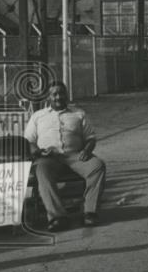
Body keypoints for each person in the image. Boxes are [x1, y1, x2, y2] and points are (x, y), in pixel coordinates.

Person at [24, 81, 106, 232]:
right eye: (54, 94)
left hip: (75, 156)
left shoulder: (78, 113)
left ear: (66, 94)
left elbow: (90, 138)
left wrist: (87, 150)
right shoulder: (38, 116)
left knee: (97, 165)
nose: (58, 97)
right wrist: (38, 152)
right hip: (49, 158)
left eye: (61, 93)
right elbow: (29, 141)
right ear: (48, 97)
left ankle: (90, 212)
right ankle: (58, 217)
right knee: (41, 169)